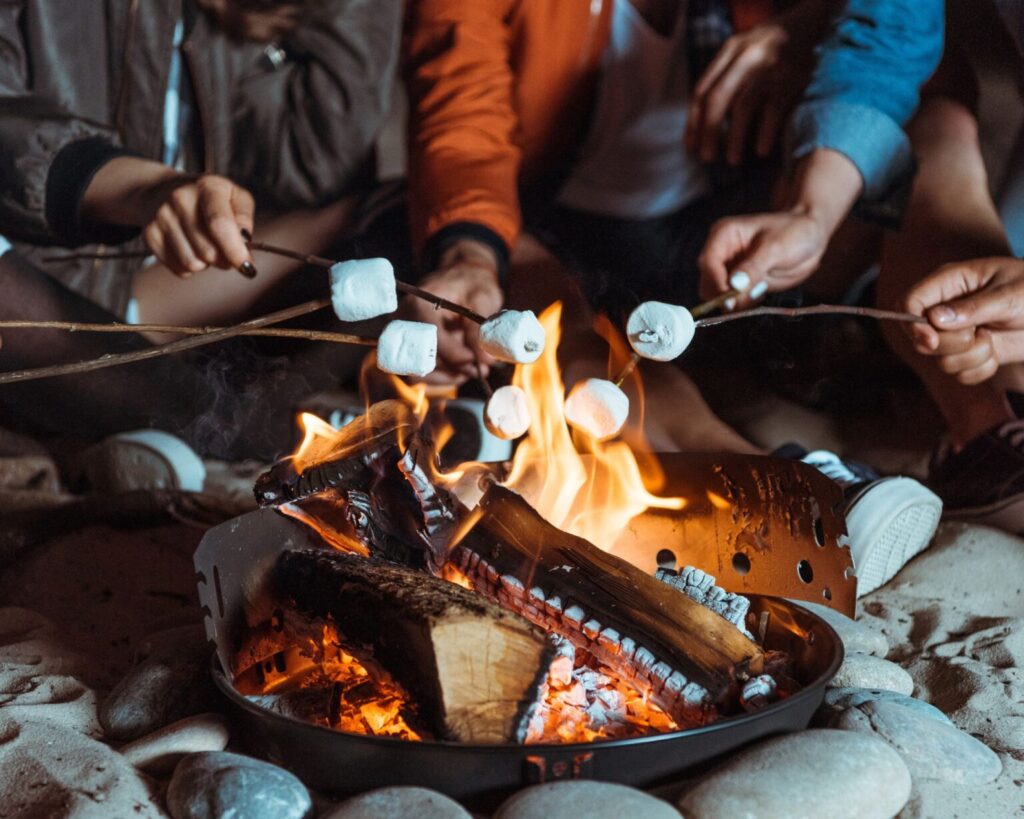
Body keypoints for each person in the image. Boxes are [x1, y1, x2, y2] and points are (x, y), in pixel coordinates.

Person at [399, 0, 945, 594]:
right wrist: (470, 252)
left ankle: (813, 477)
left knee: (940, 132)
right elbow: (461, 101)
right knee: (568, 329)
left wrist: (803, 32)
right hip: (542, 214)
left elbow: (893, 25)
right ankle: (787, 487)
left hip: (718, 216)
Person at [0, 0, 401, 458]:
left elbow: (319, 164)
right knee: (227, 429)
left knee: (400, 216)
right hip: (33, 287)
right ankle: (218, 428)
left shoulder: (215, 16)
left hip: (150, 289)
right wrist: (137, 188)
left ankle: (175, 422)